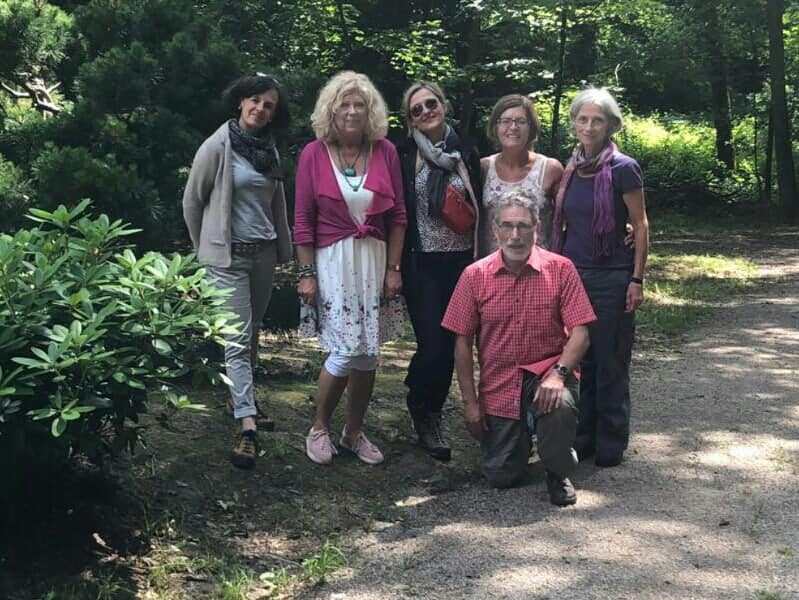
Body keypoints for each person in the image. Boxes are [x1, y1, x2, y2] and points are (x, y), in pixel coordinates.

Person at [442, 190, 595, 505]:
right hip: (500, 384)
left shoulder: (561, 269)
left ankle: (557, 470)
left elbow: (581, 332)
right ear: (494, 229)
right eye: (507, 226)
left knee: (560, 404)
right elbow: (461, 342)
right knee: (501, 476)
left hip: (547, 375)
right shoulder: (474, 276)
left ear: (537, 227)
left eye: (523, 226)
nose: (515, 235)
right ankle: (520, 440)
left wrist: (558, 374)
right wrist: (470, 404)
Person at [294, 71, 406, 466]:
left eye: (360, 104)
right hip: (333, 262)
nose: (353, 110)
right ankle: (319, 427)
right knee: (343, 351)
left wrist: (394, 268)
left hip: (374, 260)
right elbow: (303, 220)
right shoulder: (313, 153)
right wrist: (305, 274)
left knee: (368, 354)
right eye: (345, 103)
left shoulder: (386, 151)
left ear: (370, 110)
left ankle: (353, 432)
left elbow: (398, 217)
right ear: (331, 109)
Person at [182, 73, 293, 469]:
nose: (261, 109)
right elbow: (192, 201)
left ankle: (242, 399)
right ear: (240, 100)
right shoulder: (217, 146)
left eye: (269, 105)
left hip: (262, 256)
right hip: (226, 259)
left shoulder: (269, 152)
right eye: (255, 100)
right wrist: (205, 248)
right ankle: (247, 426)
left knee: (251, 334)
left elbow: (275, 205)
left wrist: (283, 248)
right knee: (237, 339)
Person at [551, 87, 650, 468]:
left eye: (597, 120)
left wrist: (636, 279)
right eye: (583, 119)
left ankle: (611, 440)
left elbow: (640, 225)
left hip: (612, 276)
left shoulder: (623, 167)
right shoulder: (571, 168)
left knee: (610, 360)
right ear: (574, 123)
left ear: (611, 125)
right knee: (582, 360)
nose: (589, 126)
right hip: (573, 275)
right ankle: (584, 436)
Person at [397, 82, 482, 461]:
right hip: (422, 263)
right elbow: (395, 212)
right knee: (432, 342)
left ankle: (430, 415)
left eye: (431, 103)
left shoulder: (466, 150)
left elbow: (490, 198)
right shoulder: (403, 155)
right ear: (409, 118)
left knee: (453, 344)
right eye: (417, 109)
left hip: (464, 262)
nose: (426, 111)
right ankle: (419, 399)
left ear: (444, 105)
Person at [481, 94, 563, 251]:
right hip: (490, 269)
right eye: (505, 121)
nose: (513, 127)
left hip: (540, 268)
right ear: (495, 127)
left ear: (531, 127)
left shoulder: (550, 169)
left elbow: (572, 215)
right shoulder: (483, 168)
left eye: (521, 121)